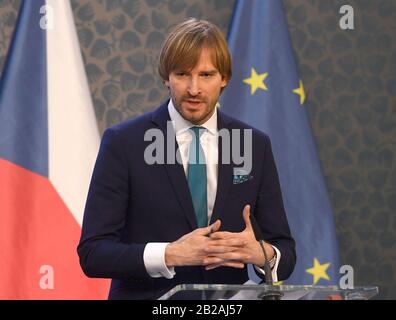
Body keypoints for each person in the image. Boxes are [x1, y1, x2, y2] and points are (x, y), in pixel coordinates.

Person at [77, 18, 296, 300]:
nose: (194, 89)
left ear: (224, 78)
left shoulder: (254, 145)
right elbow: (93, 253)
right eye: (182, 74)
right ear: (166, 77)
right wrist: (169, 254)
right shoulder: (124, 143)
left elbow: (286, 253)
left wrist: (260, 253)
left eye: (206, 75)